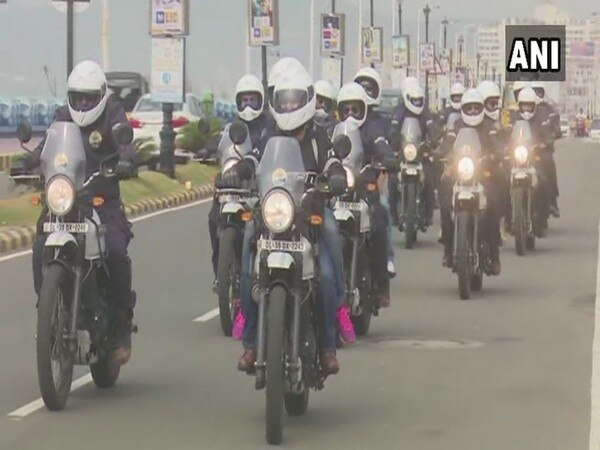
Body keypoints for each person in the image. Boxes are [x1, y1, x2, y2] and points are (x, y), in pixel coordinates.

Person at [227, 68, 348, 375]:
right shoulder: (270, 133)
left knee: (327, 273)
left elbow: (333, 160)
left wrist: (335, 176)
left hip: (309, 213)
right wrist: (238, 170)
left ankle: (327, 345)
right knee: (246, 265)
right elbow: (255, 158)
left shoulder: (319, 134)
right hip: (274, 213)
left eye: (296, 102)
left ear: (306, 102)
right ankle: (252, 343)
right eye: (285, 101)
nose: (290, 107)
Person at [25, 60, 137, 365]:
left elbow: (125, 142)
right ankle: (48, 307)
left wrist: (127, 160)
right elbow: (47, 144)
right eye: (78, 97)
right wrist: (29, 162)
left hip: (102, 199)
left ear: (100, 95)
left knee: (114, 250)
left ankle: (122, 320)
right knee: (39, 247)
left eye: (89, 98)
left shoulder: (113, 113)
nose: (83, 103)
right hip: (67, 198)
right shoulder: (63, 115)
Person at [337, 81, 397, 308]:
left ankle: (382, 284)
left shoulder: (372, 130)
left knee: (380, 220)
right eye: (346, 110)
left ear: (364, 109)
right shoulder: (333, 130)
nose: (351, 114)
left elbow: (382, 146)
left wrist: (388, 159)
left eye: (355, 109)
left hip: (364, 192)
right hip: (337, 195)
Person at [439, 88, 503, 275]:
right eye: (470, 108)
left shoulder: (489, 126)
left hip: (482, 173)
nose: (474, 112)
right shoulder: (456, 126)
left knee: (493, 202)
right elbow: (447, 143)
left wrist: (498, 153)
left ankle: (494, 251)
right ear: (463, 109)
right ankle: (448, 248)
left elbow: (498, 143)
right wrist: (442, 153)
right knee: (444, 198)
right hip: (461, 173)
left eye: (477, 108)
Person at [353, 67, 397, 279]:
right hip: (344, 185)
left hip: (371, 181)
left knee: (383, 210)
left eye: (368, 89)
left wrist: (387, 159)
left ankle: (387, 259)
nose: (364, 92)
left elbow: (384, 144)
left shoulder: (378, 122)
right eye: (360, 88)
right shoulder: (340, 125)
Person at [388, 79, 435, 228]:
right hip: (404, 151)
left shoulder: (425, 113)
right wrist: (394, 137)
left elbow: (431, 127)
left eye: (419, 100)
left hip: (420, 152)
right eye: (414, 100)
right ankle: (394, 215)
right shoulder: (399, 111)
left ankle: (428, 215)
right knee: (393, 180)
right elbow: (393, 126)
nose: (417, 103)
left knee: (429, 180)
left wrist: (432, 140)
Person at [516, 87, 554, 237]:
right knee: (501, 180)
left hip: (534, 157)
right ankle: (507, 216)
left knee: (543, 180)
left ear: (534, 105)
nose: (526, 108)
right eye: (523, 105)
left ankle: (542, 216)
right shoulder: (513, 117)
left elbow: (548, 134)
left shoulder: (541, 119)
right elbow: (504, 134)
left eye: (529, 105)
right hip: (517, 159)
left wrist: (546, 142)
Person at [530, 81, 560, 218]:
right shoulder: (525, 108)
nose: (537, 95)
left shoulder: (549, 110)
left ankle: (552, 201)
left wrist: (551, 137)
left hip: (543, 150)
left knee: (548, 168)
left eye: (539, 91)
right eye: (534, 91)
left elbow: (556, 129)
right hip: (525, 151)